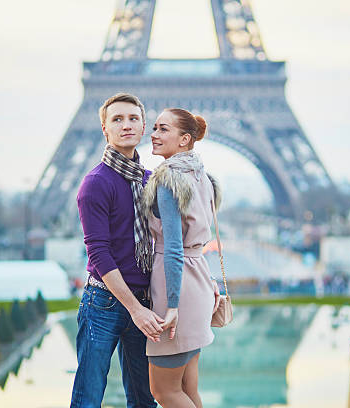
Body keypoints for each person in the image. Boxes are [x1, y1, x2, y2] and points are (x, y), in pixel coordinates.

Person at [70, 93, 163, 408]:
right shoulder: (95, 183)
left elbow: (170, 244)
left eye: (133, 118)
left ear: (143, 127)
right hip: (104, 304)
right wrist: (135, 310)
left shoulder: (150, 181)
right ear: (104, 129)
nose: (126, 125)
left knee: (143, 400)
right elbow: (99, 254)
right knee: (88, 398)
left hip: (145, 300)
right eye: (117, 119)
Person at [141, 108, 222, 407]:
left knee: (165, 392)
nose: (154, 134)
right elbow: (196, 242)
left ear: (184, 139)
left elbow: (174, 248)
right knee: (188, 390)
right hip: (198, 282)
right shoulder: (202, 176)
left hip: (176, 291)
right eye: (155, 128)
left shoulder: (168, 179)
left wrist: (171, 306)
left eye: (164, 129)